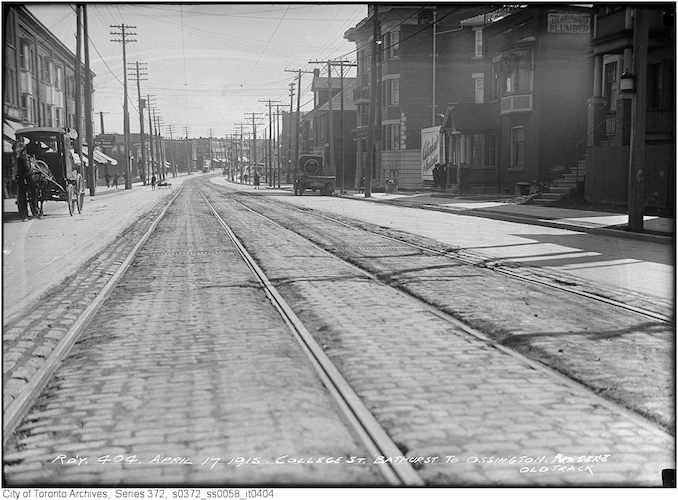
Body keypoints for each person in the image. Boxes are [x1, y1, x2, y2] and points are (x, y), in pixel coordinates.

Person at [13, 141, 39, 221]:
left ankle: (34, 209)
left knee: (33, 191)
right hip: (21, 173)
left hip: (30, 166)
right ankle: (24, 214)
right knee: (21, 195)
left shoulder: (29, 147)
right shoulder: (19, 152)